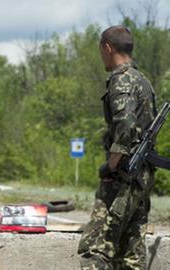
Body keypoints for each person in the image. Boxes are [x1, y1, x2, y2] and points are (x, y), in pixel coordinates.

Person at [78, 25, 157, 269]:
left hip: (122, 177)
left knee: (94, 250)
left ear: (108, 48)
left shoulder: (121, 80)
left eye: (101, 50)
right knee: (130, 254)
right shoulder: (142, 81)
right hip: (141, 178)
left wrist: (111, 166)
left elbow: (125, 125)